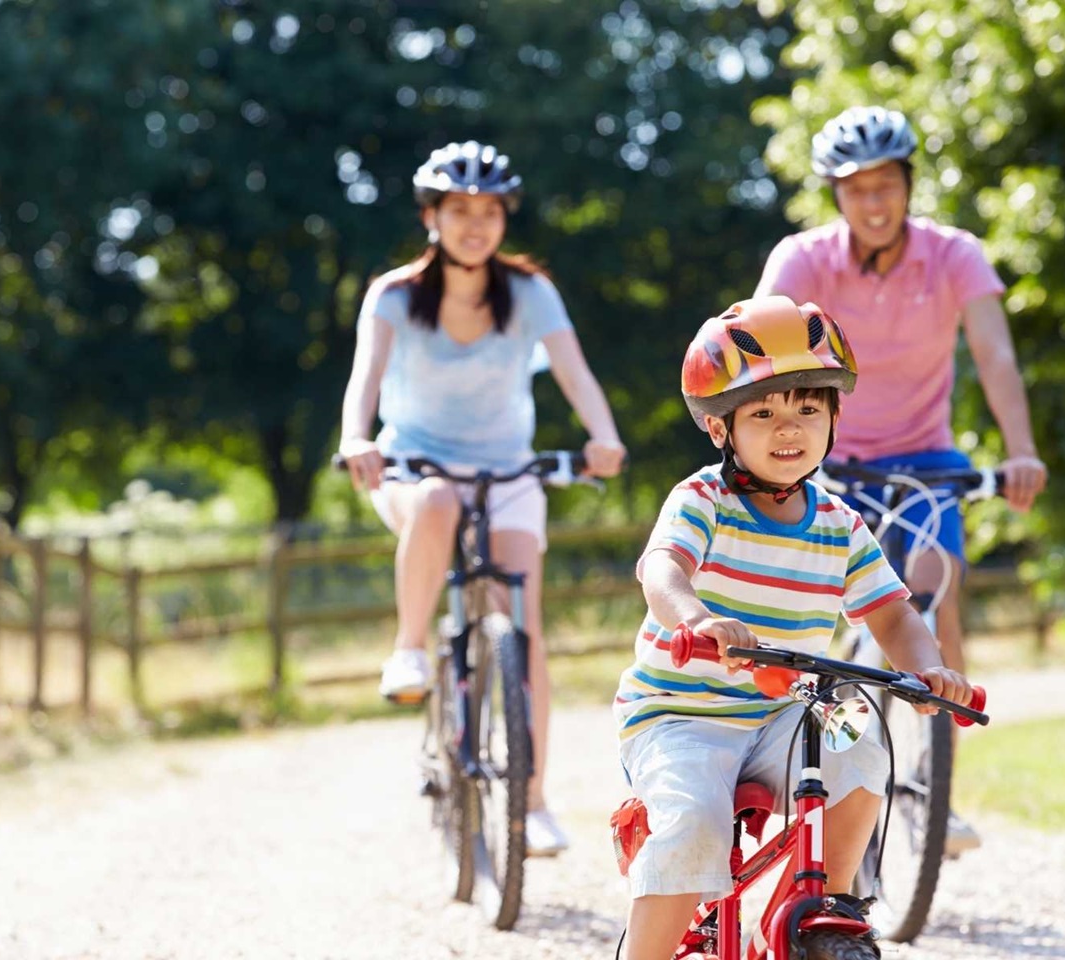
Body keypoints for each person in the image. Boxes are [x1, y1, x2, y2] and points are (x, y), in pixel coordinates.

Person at [613, 296, 975, 959]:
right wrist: (697, 618)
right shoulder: (703, 500)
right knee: (694, 822)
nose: (789, 429)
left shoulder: (839, 522)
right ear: (722, 429)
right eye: (764, 413)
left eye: (808, 409)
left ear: (835, 417)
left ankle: (816, 905)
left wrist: (929, 666)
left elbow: (893, 611)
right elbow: (661, 568)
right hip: (681, 715)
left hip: (789, 713)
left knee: (864, 744)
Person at [754, 105, 1047, 853]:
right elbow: (761, 347)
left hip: (924, 459)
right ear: (836, 195)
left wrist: (1020, 450)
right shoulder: (804, 258)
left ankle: (930, 785)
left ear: (909, 185)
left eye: (887, 185)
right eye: (857, 189)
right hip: (830, 460)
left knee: (931, 582)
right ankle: (841, 764)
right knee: (827, 623)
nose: (875, 202)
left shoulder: (954, 256)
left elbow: (996, 358)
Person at [338, 140, 626, 856]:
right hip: (414, 467)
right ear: (431, 216)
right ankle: (408, 650)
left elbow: (576, 373)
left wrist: (603, 435)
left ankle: (530, 804)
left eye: (489, 212)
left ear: (505, 219)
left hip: (507, 474)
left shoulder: (529, 292)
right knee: (435, 503)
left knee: (521, 630)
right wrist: (356, 437)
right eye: (459, 210)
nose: (475, 224)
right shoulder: (396, 295)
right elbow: (364, 379)